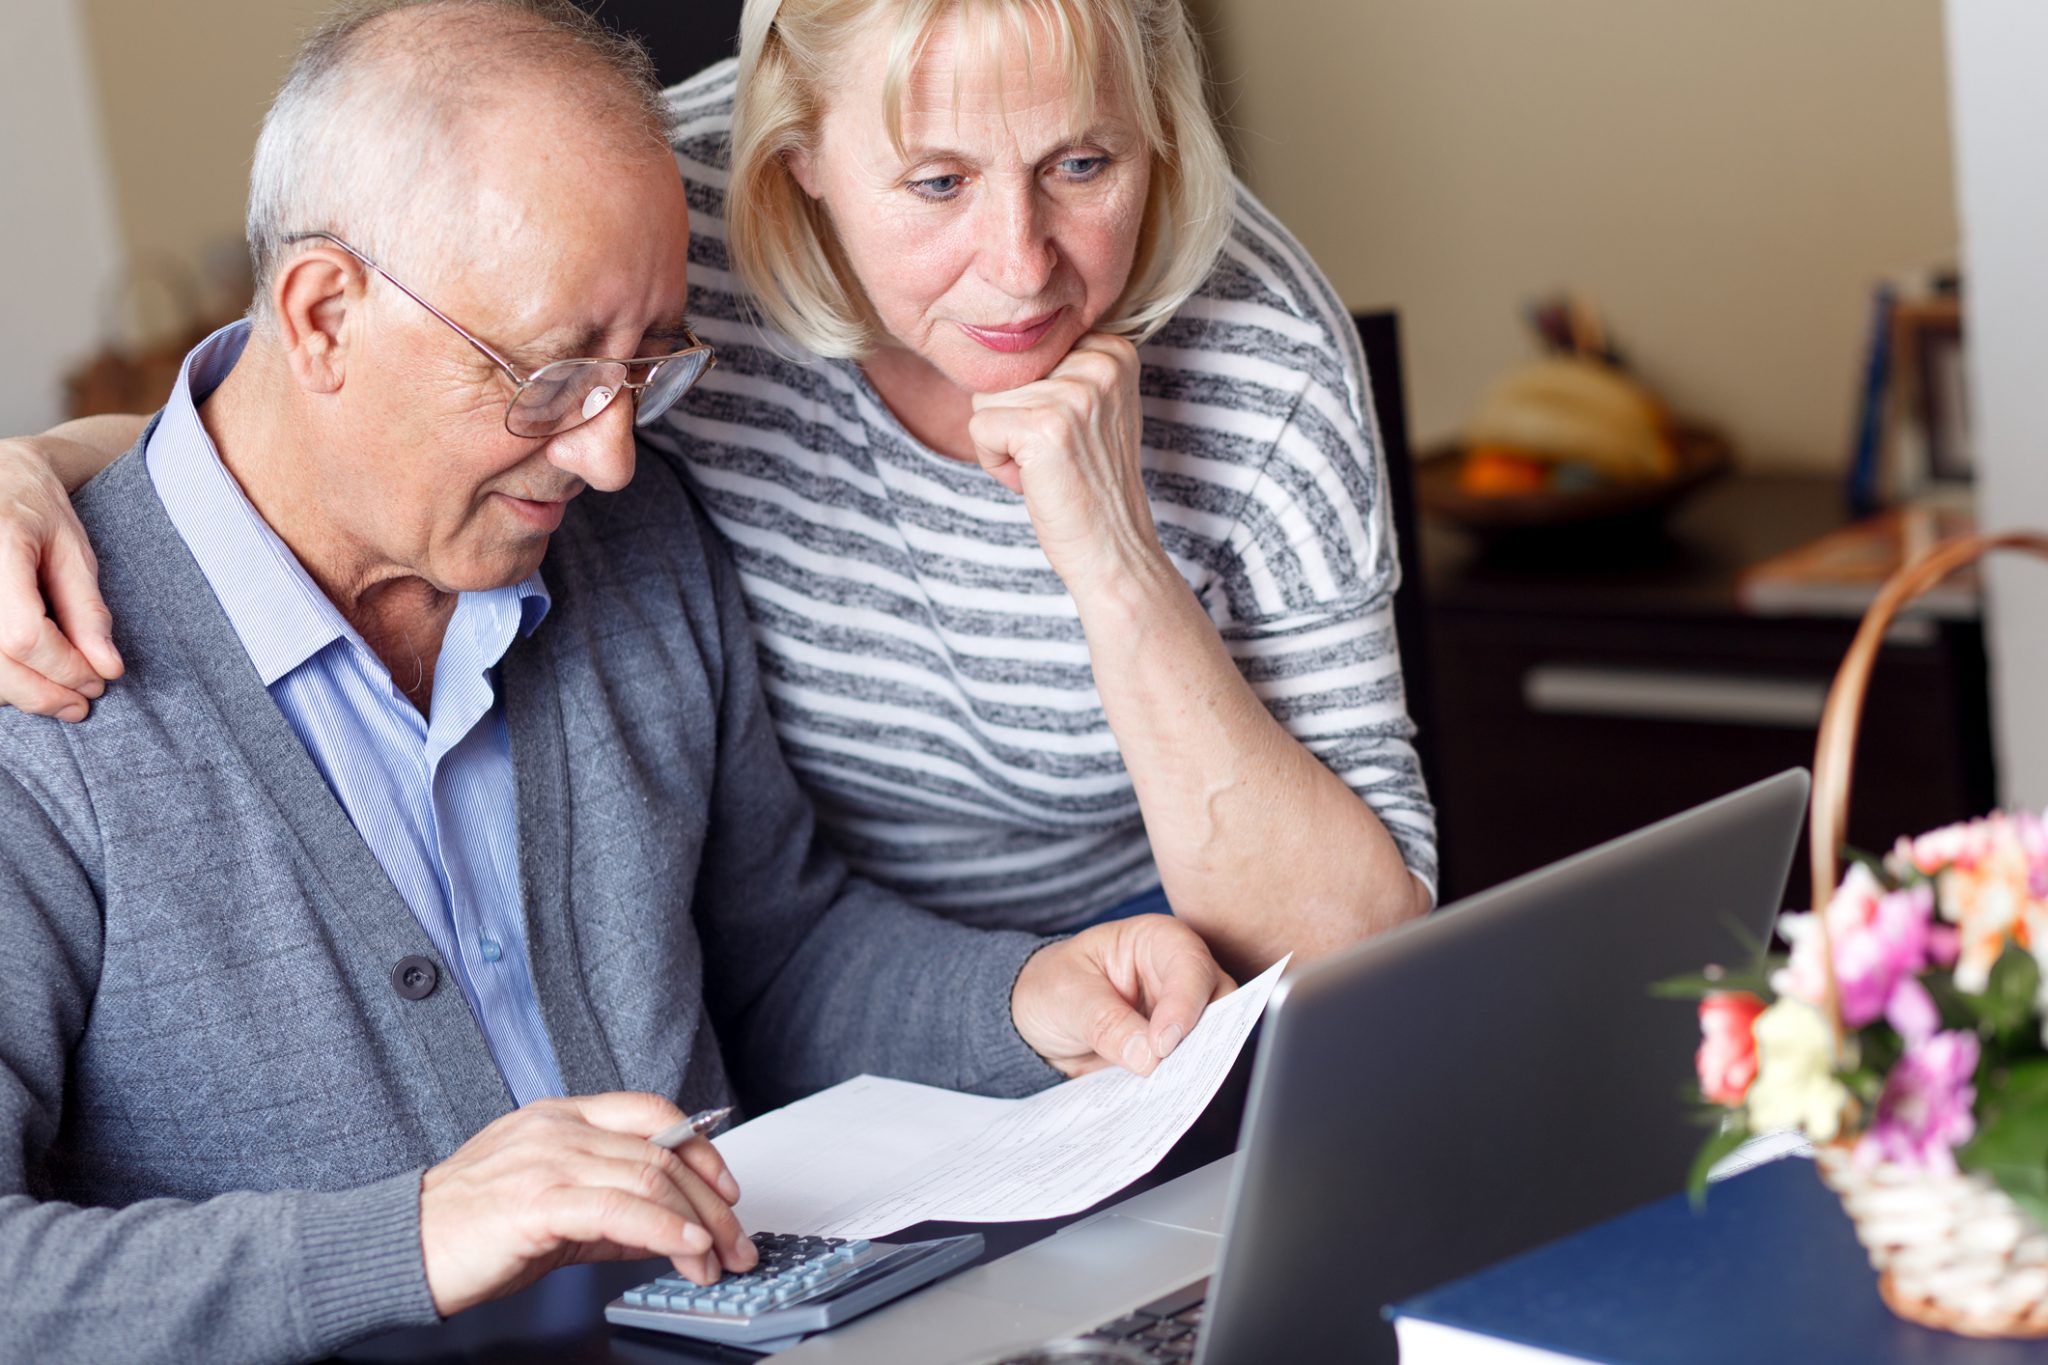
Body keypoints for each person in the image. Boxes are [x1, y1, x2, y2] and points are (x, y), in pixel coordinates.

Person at [0, 5, 1229, 1359]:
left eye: (643, 365)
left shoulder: (632, 549)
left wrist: (1023, 1002)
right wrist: (413, 1233)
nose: (610, 457)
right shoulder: (37, 668)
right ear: (323, 314)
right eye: (549, 375)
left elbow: (776, 954)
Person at [0, 0, 1435, 978]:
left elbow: (1371, 959)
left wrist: (1116, 567)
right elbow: (344, 370)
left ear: (1161, 135)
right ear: (793, 147)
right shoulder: (665, 216)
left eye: (1083, 162)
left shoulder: (1257, 357)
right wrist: (50, 463)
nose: (1023, 260)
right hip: (784, 952)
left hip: (1158, 954)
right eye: (934, 182)